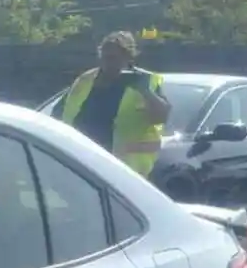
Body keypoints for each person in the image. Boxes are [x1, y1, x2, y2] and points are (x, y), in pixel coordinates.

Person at [59, 31, 171, 177]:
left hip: (124, 170)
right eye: (104, 58)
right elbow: (61, 113)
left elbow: (161, 117)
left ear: (128, 58)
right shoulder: (86, 80)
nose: (108, 64)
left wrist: (146, 92)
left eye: (113, 59)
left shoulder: (143, 81)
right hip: (83, 162)